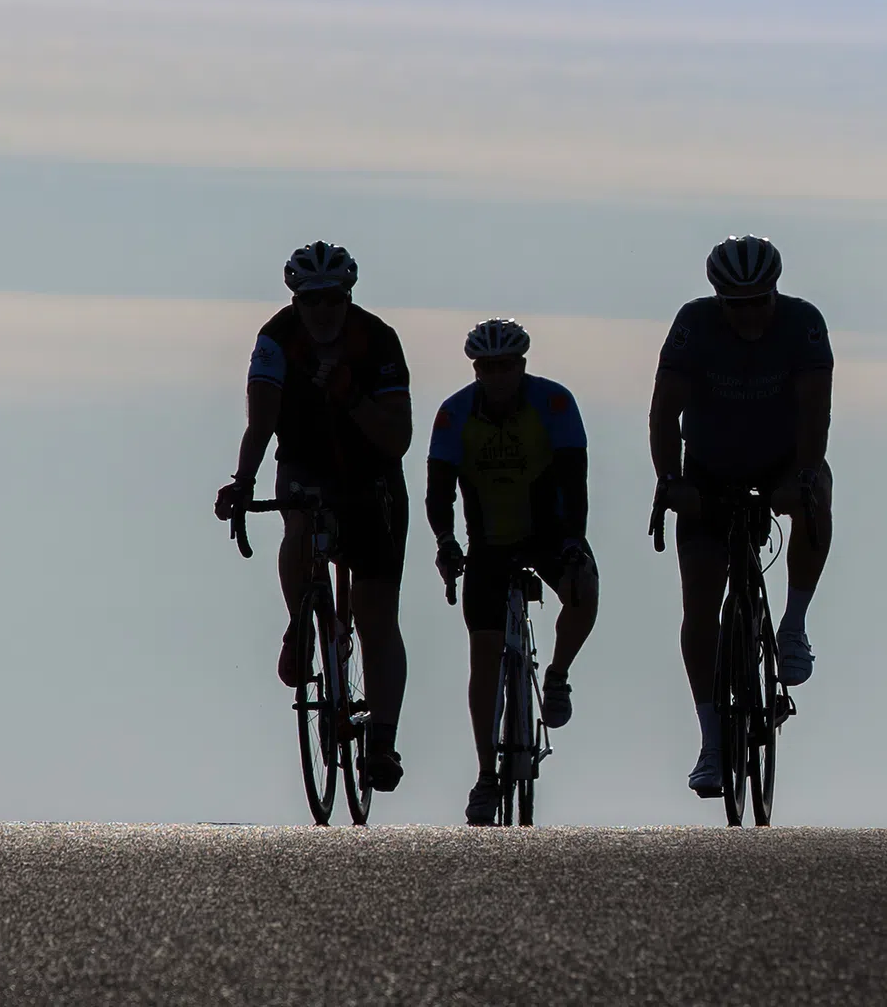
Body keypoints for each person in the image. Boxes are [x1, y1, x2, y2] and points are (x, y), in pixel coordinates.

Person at [214, 242, 414, 792]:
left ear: (347, 296)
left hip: (371, 475)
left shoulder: (378, 341)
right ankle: (301, 622)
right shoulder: (276, 339)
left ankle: (383, 744)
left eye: (332, 299)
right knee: (298, 525)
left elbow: (397, 439)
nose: (323, 311)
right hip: (305, 463)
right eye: (311, 301)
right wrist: (244, 481)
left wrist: (351, 398)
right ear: (296, 301)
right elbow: (261, 423)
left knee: (376, 619)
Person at [649, 235, 834, 798]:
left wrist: (800, 479)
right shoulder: (693, 325)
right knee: (700, 602)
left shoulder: (802, 324)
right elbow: (663, 414)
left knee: (816, 495)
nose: (750, 314)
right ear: (718, 299)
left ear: (776, 293)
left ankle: (794, 623)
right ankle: (710, 741)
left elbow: (815, 416)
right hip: (708, 473)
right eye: (737, 304)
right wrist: (671, 481)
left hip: (781, 462)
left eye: (760, 301)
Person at [426, 318, 600, 826]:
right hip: (488, 545)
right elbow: (438, 491)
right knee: (482, 656)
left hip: (548, 534)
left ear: (522, 366)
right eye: (486, 368)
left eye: (505, 367)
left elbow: (575, 478)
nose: (496, 376)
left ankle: (558, 675)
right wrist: (444, 542)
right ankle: (485, 776)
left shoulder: (554, 404)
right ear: (476, 369)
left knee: (584, 590)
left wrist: (572, 543)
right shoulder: (454, 414)